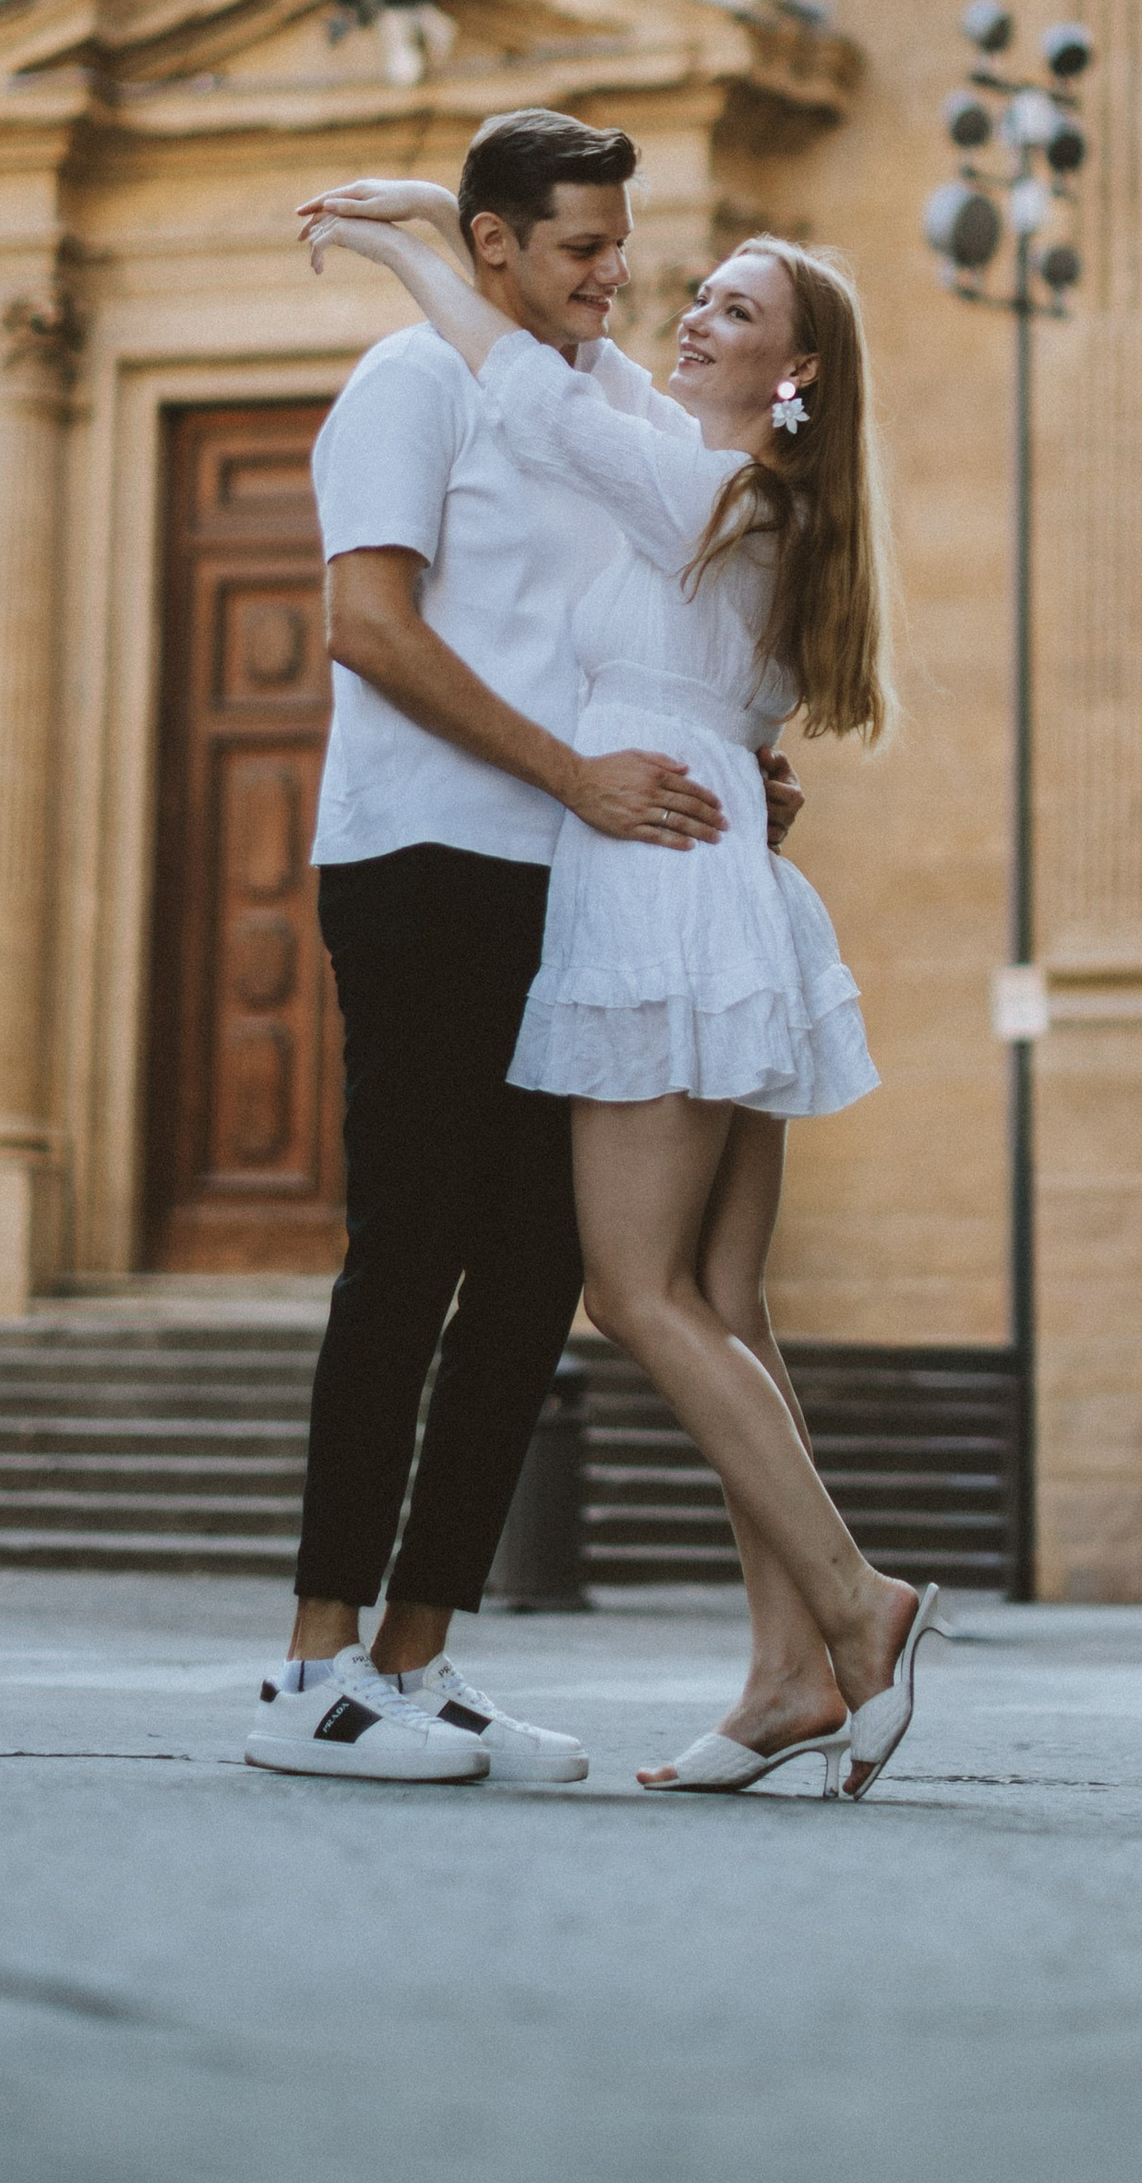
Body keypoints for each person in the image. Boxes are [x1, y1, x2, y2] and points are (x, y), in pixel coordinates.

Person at [298, 189, 944, 1801]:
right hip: (722, 885)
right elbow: (589, 405)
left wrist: (422, 259)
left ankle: (859, 1608)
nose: (687, 312)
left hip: (657, 900)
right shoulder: (745, 486)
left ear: (795, 374)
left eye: (735, 308)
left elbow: (529, 392)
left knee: (637, 1295)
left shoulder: (716, 483)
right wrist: (455, 223)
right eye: (699, 293)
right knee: (725, 1303)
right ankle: (788, 1672)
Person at [246, 109, 802, 1787]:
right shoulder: (408, 389)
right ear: (495, 248)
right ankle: (311, 1670)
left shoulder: (592, 401)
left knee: (536, 1283)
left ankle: (419, 1662)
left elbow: (649, 623)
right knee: (408, 1256)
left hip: (569, 879)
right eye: (579, 249)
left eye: (623, 247)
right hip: (421, 861)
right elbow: (366, 629)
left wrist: (712, 760)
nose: (615, 278)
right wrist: (575, 771)